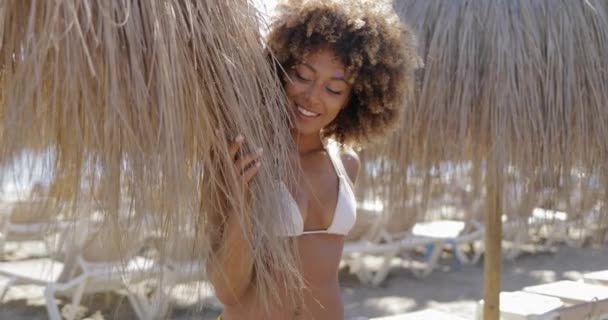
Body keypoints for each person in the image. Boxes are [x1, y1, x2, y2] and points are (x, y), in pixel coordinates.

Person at [208, 0, 418, 319]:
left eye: (334, 89)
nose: (312, 96)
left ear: (354, 99)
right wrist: (241, 201)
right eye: (303, 75)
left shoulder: (347, 164)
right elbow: (227, 290)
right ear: (280, 69)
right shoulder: (243, 155)